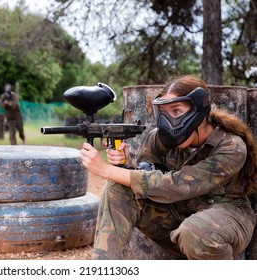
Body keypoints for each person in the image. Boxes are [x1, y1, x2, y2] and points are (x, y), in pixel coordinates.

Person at [80, 75, 257, 260]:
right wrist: (125, 165)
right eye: (163, 112)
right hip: (178, 216)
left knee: (196, 233)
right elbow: (146, 175)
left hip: (224, 218)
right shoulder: (158, 138)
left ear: (199, 110)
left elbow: (178, 185)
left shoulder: (231, 147)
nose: (168, 122)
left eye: (177, 111)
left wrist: (108, 170)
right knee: (117, 188)